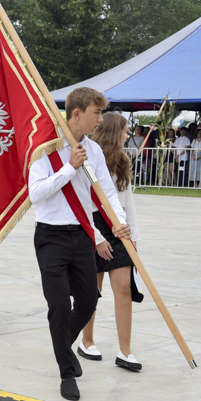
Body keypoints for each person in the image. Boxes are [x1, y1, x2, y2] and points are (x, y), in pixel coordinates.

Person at [28, 87, 129, 401]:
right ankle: (66, 373)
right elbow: (36, 193)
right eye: (96, 113)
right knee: (58, 305)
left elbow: (107, 193)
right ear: (76, 113)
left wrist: (118, 218)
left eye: (100, 113)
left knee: (87, 302)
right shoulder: (45, 147)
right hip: (51, 237)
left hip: (83, 236)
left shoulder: (95, 151)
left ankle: (63, 347)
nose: (100, 119)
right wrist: (69, 167)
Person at [77, 113, 142, 371]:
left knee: (124, 288)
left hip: (119, 227)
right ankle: (87, 340)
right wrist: (98, 238)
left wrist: (132, 235)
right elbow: (82, 204)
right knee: (91, 290)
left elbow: (127, 202)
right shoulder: (88, 158)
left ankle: (125, 351)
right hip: (92, 227)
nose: (128, 135)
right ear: (116, 132)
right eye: (126, 131)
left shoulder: (123, 161)